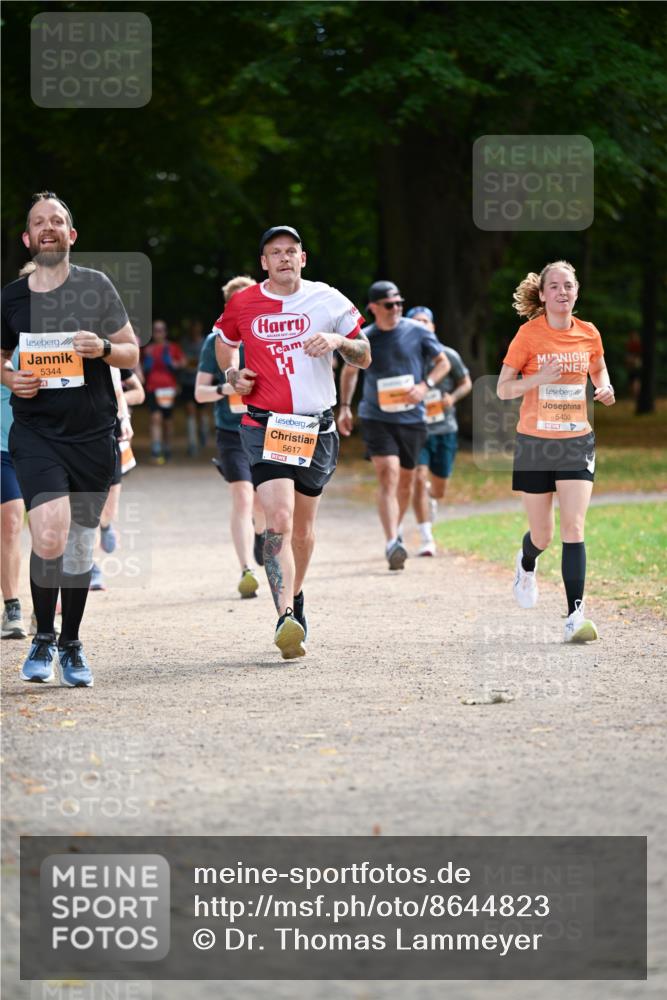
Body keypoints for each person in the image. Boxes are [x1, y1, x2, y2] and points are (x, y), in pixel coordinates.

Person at [0, 191, 139, 685]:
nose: (48, 228)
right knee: (50, 531)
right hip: (37, 432)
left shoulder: (96, 287)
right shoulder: (12, 298)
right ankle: (41, 638)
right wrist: (8, 377)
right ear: (28, 237)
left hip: (92, 433)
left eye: (57, 221)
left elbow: (131, 352)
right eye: (39, 222)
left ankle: (72, 644)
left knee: (79, 547)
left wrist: (102, 347)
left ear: (71, 234)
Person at [215, 226, 370, 659]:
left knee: (303, 529)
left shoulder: (328, 299)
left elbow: (365, 352)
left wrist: (339, 341)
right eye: (275, 253)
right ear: (263, 263)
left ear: (304, 258)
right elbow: (225, 346)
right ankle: (285, 616)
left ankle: (296, 597)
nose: (284, 258)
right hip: (263, 424)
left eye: (291, 251)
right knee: (278, 518)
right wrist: (232, 374)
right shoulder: (243, 304)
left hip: (315, 429)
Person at [497, 260, 615, 643]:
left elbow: (598, 369)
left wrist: (605, 387)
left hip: (576, 440)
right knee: (543, 535)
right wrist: (537, 378)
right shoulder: (528, 335)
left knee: (573, 528)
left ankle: (574, 614)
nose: (562, 292)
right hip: (534, 444)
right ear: (543, 294)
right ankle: (526, 561)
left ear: (576, 291)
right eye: (555, 286)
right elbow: (503, 388)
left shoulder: (589, 333)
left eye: (568, 285)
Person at [338, 281, 450, 570]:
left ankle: (396, 530)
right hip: (377, 417)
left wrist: (425, 386)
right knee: (387, 472)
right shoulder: (365, 338)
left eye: (399, 303)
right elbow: (350, 372)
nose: (397, 309)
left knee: (406, 481)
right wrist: (345, 407)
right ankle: (391, 542)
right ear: (373, 308)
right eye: (390, 304)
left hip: (412, 418)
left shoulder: (418, 332)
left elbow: (443, 363)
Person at [195, 275, 266, 599]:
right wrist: (227, 388)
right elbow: (199, 393)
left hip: (269, 430)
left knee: (266, 502)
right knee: (243, 497)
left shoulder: (269, 335)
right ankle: (245, 570)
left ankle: (262, 533)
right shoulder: (215, 342)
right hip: (232, 432)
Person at [406, 306, 472, 556]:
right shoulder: (405, 356)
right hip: (415, 428)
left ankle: (432, 500)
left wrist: (452, 398)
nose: (422, 325)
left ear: (433, 327)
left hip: (445, 428)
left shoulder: (447, 355)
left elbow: (465, 382)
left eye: (426, 321)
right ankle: (426, 537)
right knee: (418, 478)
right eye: (416, 321)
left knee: (439, 487)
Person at [90, 366, 145, 591]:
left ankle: (106, 525)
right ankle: (91, 567)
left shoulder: (113, 356)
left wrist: (115, 398)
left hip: (114, 436)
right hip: (81, 437)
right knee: (86, 506)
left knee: (109, 504)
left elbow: (139, 393)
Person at [1, 345, 27, 639]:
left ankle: (45, 610)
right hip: (2, 450)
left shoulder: (40, 338)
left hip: (40, 448)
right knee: (10, 524)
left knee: (51, 529)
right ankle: (12, 606)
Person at [141, 319, 185, 463]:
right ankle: (156, 449)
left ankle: (167, 447)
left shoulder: (173, 347)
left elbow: (183, 362)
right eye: (156, 330)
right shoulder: (148, 349)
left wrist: (174, 363)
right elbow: (139, 367)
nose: (158, 333)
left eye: (161, 330)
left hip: (169, 388)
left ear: (165, 332)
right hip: (152, 387)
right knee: (155, 418)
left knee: (167, 421)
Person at [179, 319, 210, 456]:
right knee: (190, 411)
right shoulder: (184, 343)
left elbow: (207, 362)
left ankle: (203, 431)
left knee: (200, 412)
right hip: (187, 382)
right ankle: (192, 444)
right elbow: (182, 361)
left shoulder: (205, 342)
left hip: (201, 382)